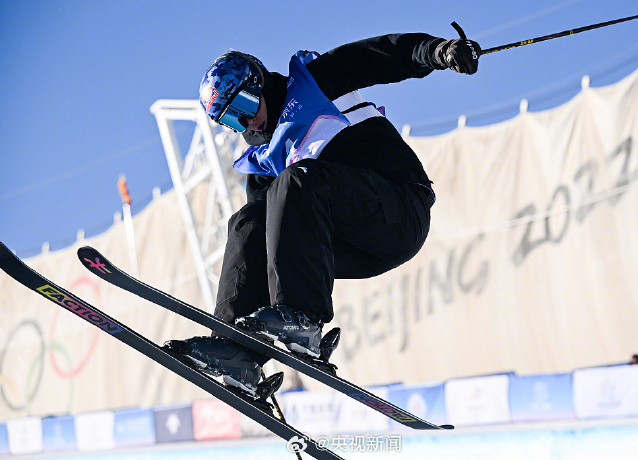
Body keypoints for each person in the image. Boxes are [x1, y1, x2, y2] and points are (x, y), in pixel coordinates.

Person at [165, 31, 481, 397]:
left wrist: (438, 52)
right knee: (249, 222)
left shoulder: (316, 82)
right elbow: (263, 253)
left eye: (245, 107)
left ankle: (303, 321)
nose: (247, 123)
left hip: (399, 209)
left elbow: (380, 55)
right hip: (352, 246)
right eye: (233, 121)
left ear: (261, 83)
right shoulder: (264, 163)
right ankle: (236, 351)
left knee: (298, 180)